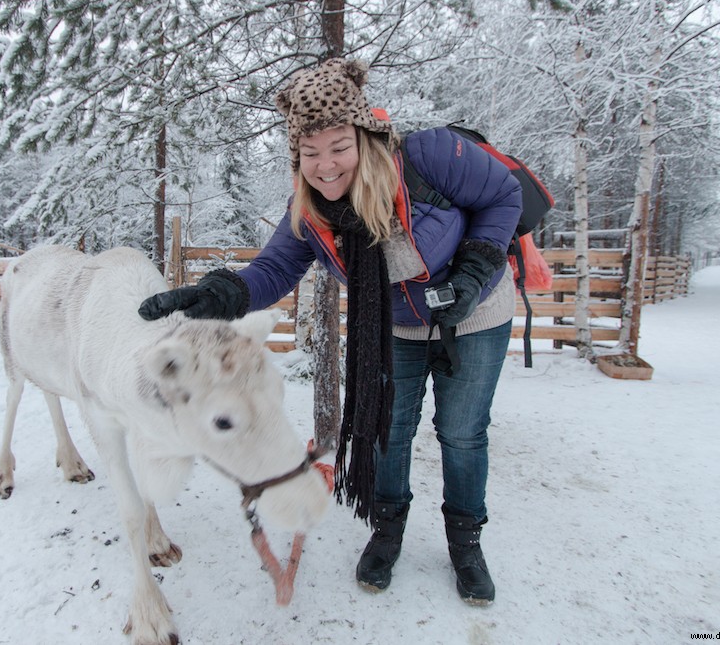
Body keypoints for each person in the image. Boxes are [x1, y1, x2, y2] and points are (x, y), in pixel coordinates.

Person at [139, 58, 521, 605]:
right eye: (309, 152)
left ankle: (466, 543)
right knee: (387, 429)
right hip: (395, 325)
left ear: (363, 136)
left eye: (338, 146)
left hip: (477, 313)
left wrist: (476, 272)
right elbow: (272, 270)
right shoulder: (309, 209)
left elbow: (502, 196)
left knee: (462, 433)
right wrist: (221, 295)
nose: (325, 166)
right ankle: (387, 531)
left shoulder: (429, 157)